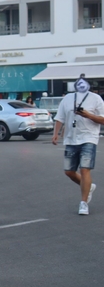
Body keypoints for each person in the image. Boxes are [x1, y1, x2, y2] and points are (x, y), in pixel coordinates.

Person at [52, 74, 104, 215]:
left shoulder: (96, 99)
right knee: (69, 171)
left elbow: (103, 119)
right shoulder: (68, 99)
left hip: (89, 137)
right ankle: (89, 187)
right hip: (71, 138)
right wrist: (55, 133)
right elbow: (60, 117)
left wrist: (89, 115)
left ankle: (83, 203)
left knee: (85, 169)